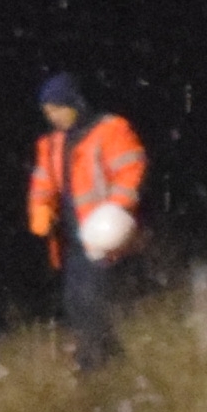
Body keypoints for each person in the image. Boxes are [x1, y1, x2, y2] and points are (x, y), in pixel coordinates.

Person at [29, 70, 152, 371]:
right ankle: (105, 364)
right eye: (48, 112)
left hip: (106, 238)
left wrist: (116, 210)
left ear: (74, 102)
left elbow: (132, 168)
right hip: (72, 239)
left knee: (95, 303)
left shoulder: (110, 130)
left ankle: (98, 368)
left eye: (57, 108)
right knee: (76, 304)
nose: (53, 116)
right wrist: (40, 209)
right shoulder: (53, 143)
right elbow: (43, 182)